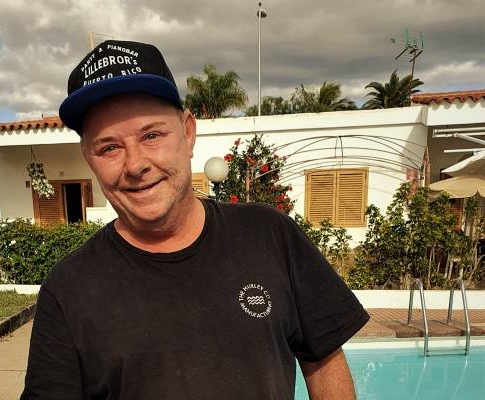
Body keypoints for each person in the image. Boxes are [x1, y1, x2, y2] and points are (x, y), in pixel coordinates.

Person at [21, 40, 369, 400]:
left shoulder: (269, 235)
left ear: (188, 132)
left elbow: (324, 361)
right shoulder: (68, 290)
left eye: (152, 135)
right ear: (89, 158)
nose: (136, 165)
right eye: (109, 147)